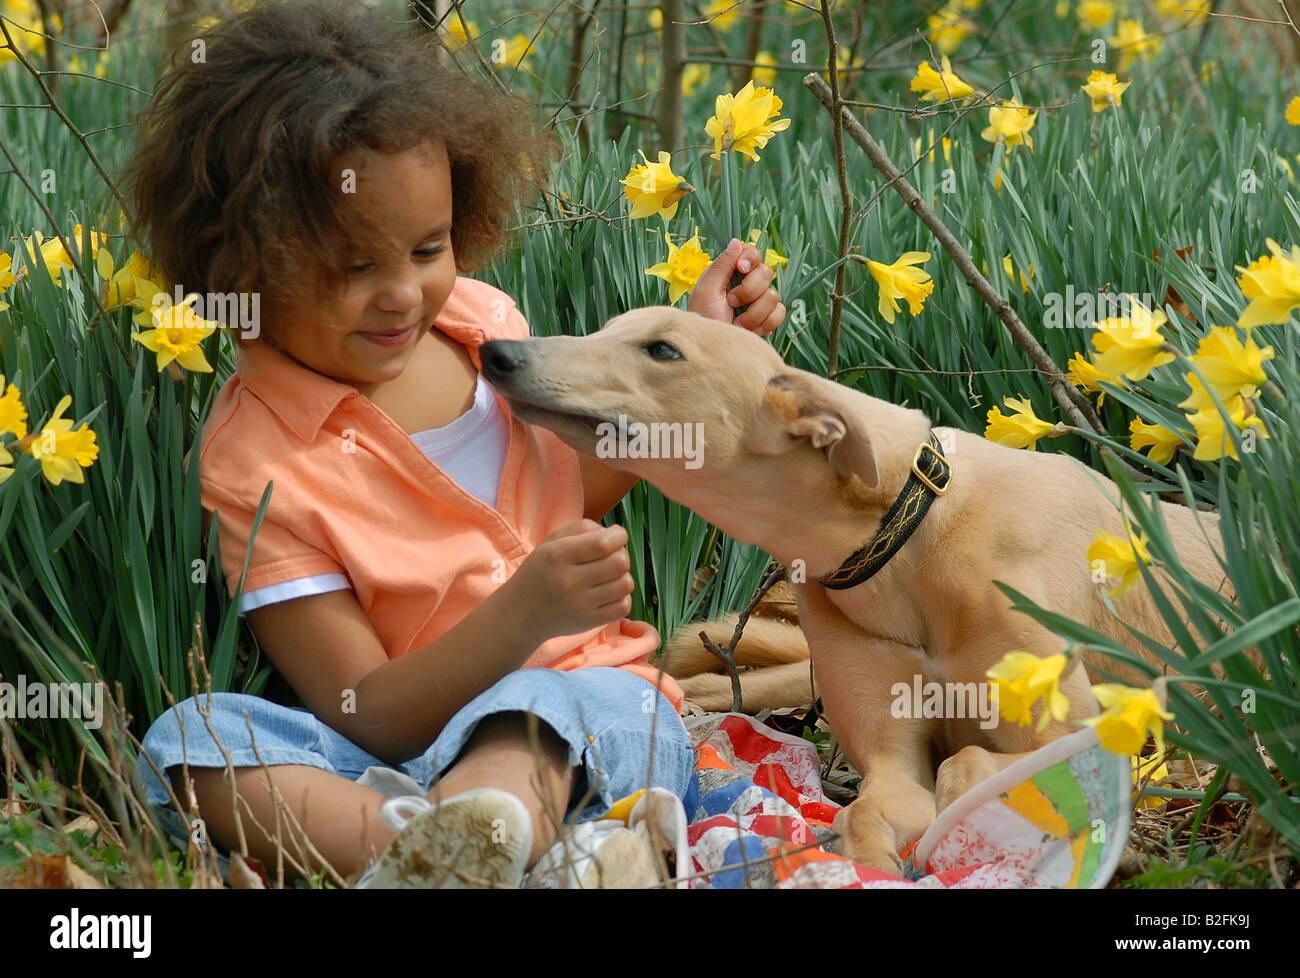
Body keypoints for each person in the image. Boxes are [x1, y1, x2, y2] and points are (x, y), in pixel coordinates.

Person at [125, 1, 786, 887]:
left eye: (428, 247)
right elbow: (367, 713)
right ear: (241, 264)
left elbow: (563, 495)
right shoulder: (255, 464)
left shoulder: (482, 328)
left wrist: (696, 346)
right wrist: (519, 613)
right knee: (192, 737)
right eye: (356, 268)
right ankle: (435, 841)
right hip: (403, 747)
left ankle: (479, 838)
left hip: (593, 706)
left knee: (528, 710)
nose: (404, 294)